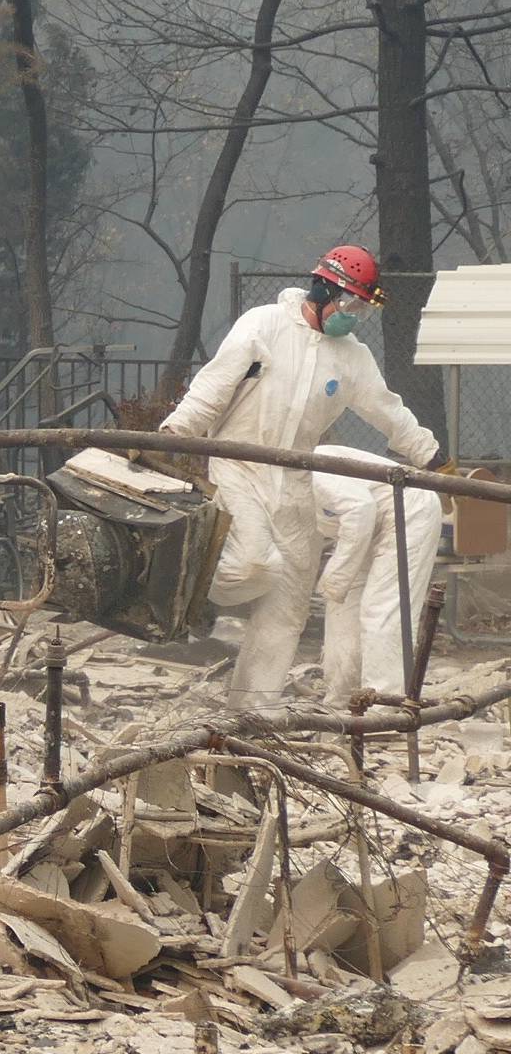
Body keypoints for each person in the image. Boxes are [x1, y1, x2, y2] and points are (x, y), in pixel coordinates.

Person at [159, 245, 441, 710]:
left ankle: (252, 710)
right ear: (322, 288)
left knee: (286, 607)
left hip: (296, 484)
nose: (351, 316)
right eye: (348, 304)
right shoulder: (264, 325)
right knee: (251, 563)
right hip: (240, 468)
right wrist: (176, 432)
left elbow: (388, 411)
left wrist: (430, 456)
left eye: (359, 309)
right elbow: (213, 385)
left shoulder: (350, 357)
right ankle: (195, 598)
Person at [313, 451, 445, 709]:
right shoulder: (278, 488)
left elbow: (360, 508)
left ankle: (385, 707)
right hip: (361, 527)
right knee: (341, 608)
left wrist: (336, 576)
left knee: (382, 610)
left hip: (407, 509)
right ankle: (343, 701)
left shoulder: (308, 470)